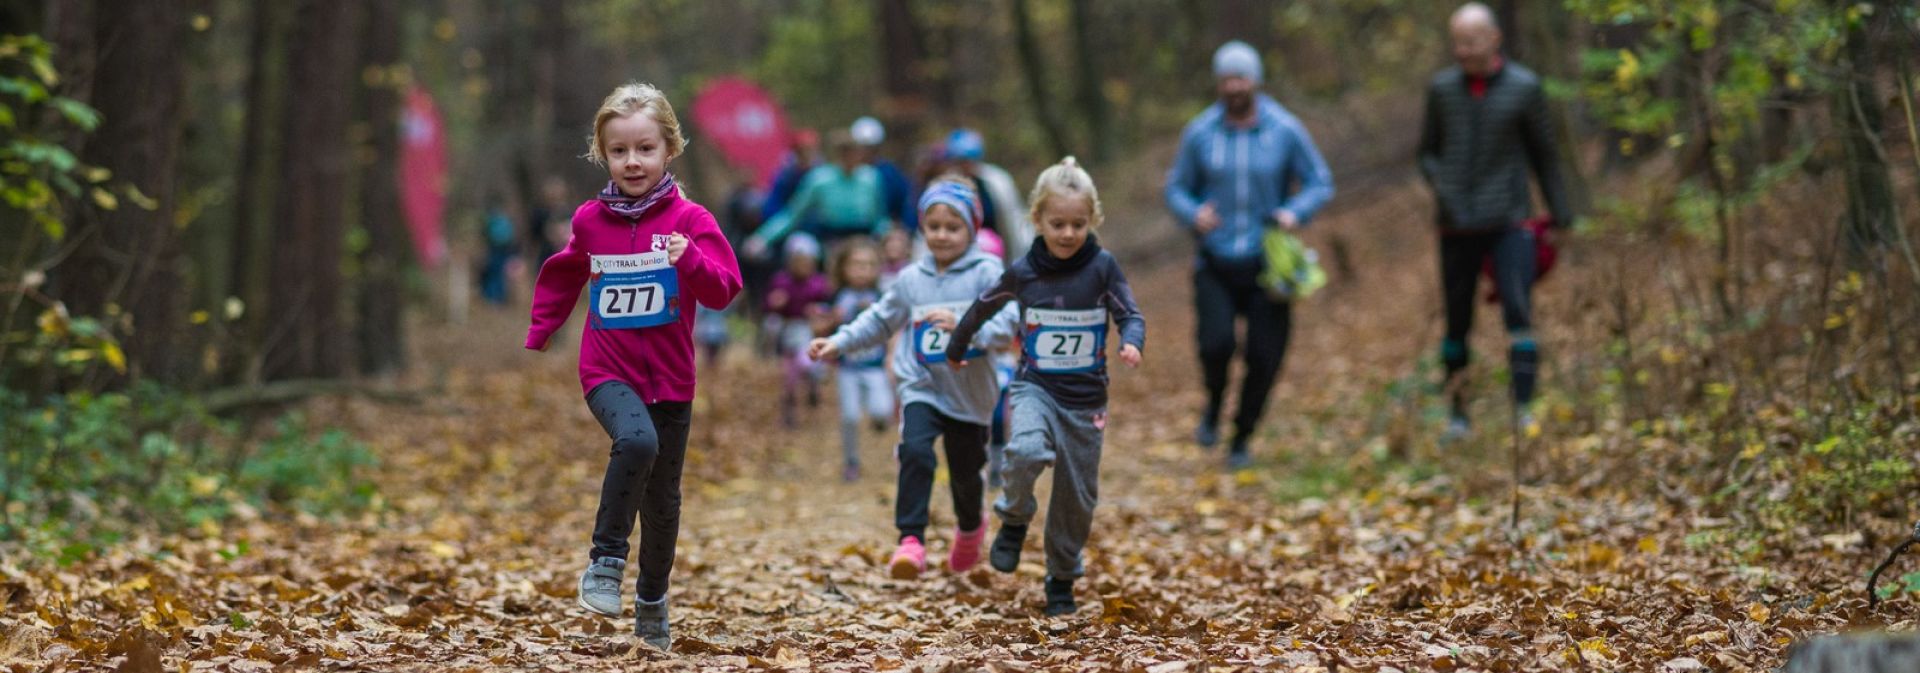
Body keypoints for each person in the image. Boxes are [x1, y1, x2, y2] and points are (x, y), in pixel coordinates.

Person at [525, 82, 742, 651]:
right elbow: (564, 271)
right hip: (607, 368)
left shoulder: (691, 220)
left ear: (669, 149)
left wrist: (688, 257)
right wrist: (542, 328)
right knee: (637, 442)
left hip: (672, 377)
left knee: (664, 501)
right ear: (603, 154)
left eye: (645, 148)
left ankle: (652, 599)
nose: (632, 161)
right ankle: (604, 562)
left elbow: (724, 290)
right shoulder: (590, 220)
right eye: (619, 151)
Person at [947, 157, 1146, 616]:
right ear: (1036, 219)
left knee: (1076, 498)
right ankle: (1014, 518)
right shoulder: (1025, 270)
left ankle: (1061, 577)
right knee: (1026, 452)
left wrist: (1131, 342)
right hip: (1036, 387)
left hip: (1086, 402)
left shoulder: (1102, 267)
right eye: (1057, 223)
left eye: (1078, 224)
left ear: (1092, 220)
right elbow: (983, 307)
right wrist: (958, 344)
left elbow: (1129, 314)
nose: (1068, 234)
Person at [809, 178, 1018, 579]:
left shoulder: (987, 273)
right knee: (916, 452)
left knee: (965, 473)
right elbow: (880, 319)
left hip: (971, 393)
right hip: (922, 384)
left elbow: (1007, 326)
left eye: (952, 227)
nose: (941, 235)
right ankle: (911, 541)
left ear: (972, 229)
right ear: (922, 228)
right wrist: (838, 342)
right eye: (933, 226)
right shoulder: (911, 279)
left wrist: (966, 328)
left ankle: (971, 529)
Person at [1164, 40, 1335, 470]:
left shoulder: (1284, 129)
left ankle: (1242, 436)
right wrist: (1193, 213)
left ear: (1256, 81)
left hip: (1267, 262)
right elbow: (1175, 187)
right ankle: (1214, 404)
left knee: (1264, 355)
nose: (1234, 86)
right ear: (1218, 84)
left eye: (1241, 78)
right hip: (1216, 260)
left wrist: (1294, 212)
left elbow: (1319, 180)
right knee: (1215, 344)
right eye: (1226, 79)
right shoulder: (1201, 132)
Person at [1417, 3, 1572, 440]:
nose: (1462, 51)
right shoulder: (1442, 90)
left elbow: (1545, 154)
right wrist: (1441, 185)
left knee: (1518, 310)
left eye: (1470, 41)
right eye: (1457, 43)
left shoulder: (1525, 87)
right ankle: (1458, 416)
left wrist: (1561, 215)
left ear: (1494, 39)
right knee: (1457, 320)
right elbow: (1426, 152)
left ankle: (1523, 410)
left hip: (1510, 220)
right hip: (1455, 225)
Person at [746, 130, 894, 258]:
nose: (850, 157)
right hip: (830, 241)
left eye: (853, 152)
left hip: (864, 239)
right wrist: (762, 238)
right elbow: (793, 214)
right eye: (845, 152)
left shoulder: (871, 178)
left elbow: (879, 217)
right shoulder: (820, 179)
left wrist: (889, 237)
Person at [825, 237, 895, 482]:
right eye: (856, 264)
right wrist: (830, 320)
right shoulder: (838, 296)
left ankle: (878, 421)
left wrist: (891, 358)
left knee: (881, 409)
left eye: (868, 265)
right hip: (848, 368)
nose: (862, 271)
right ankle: (851, 460)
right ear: (843, 268)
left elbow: (892, 326)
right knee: (850, 416)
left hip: (875, 367)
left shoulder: (882, 296)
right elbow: (823, 329)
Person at [765, 232, 833, 427]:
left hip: (808, 332)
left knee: (809, 365)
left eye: (807, 261)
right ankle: (789, 412)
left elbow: (828, 305)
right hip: (787, 332)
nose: (802, 266)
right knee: (789, 379)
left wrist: (819, 311)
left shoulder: (818, 283)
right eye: (798, 261)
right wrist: (775, 303)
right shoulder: (781, 281)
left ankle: (813, 386)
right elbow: (768, 305)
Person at [939, 128, 1033, 261]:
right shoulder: (944, 185)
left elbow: (1014, 219)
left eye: (970, 160)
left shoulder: (997, 181)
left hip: (998, 251)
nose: (967, 166)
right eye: (961, 161)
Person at [851, 116, 915, 225]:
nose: (865, 152)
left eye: (870, 148)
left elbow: (903, 203)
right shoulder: (845, 172)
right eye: (862, 147)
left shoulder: (890, 173)